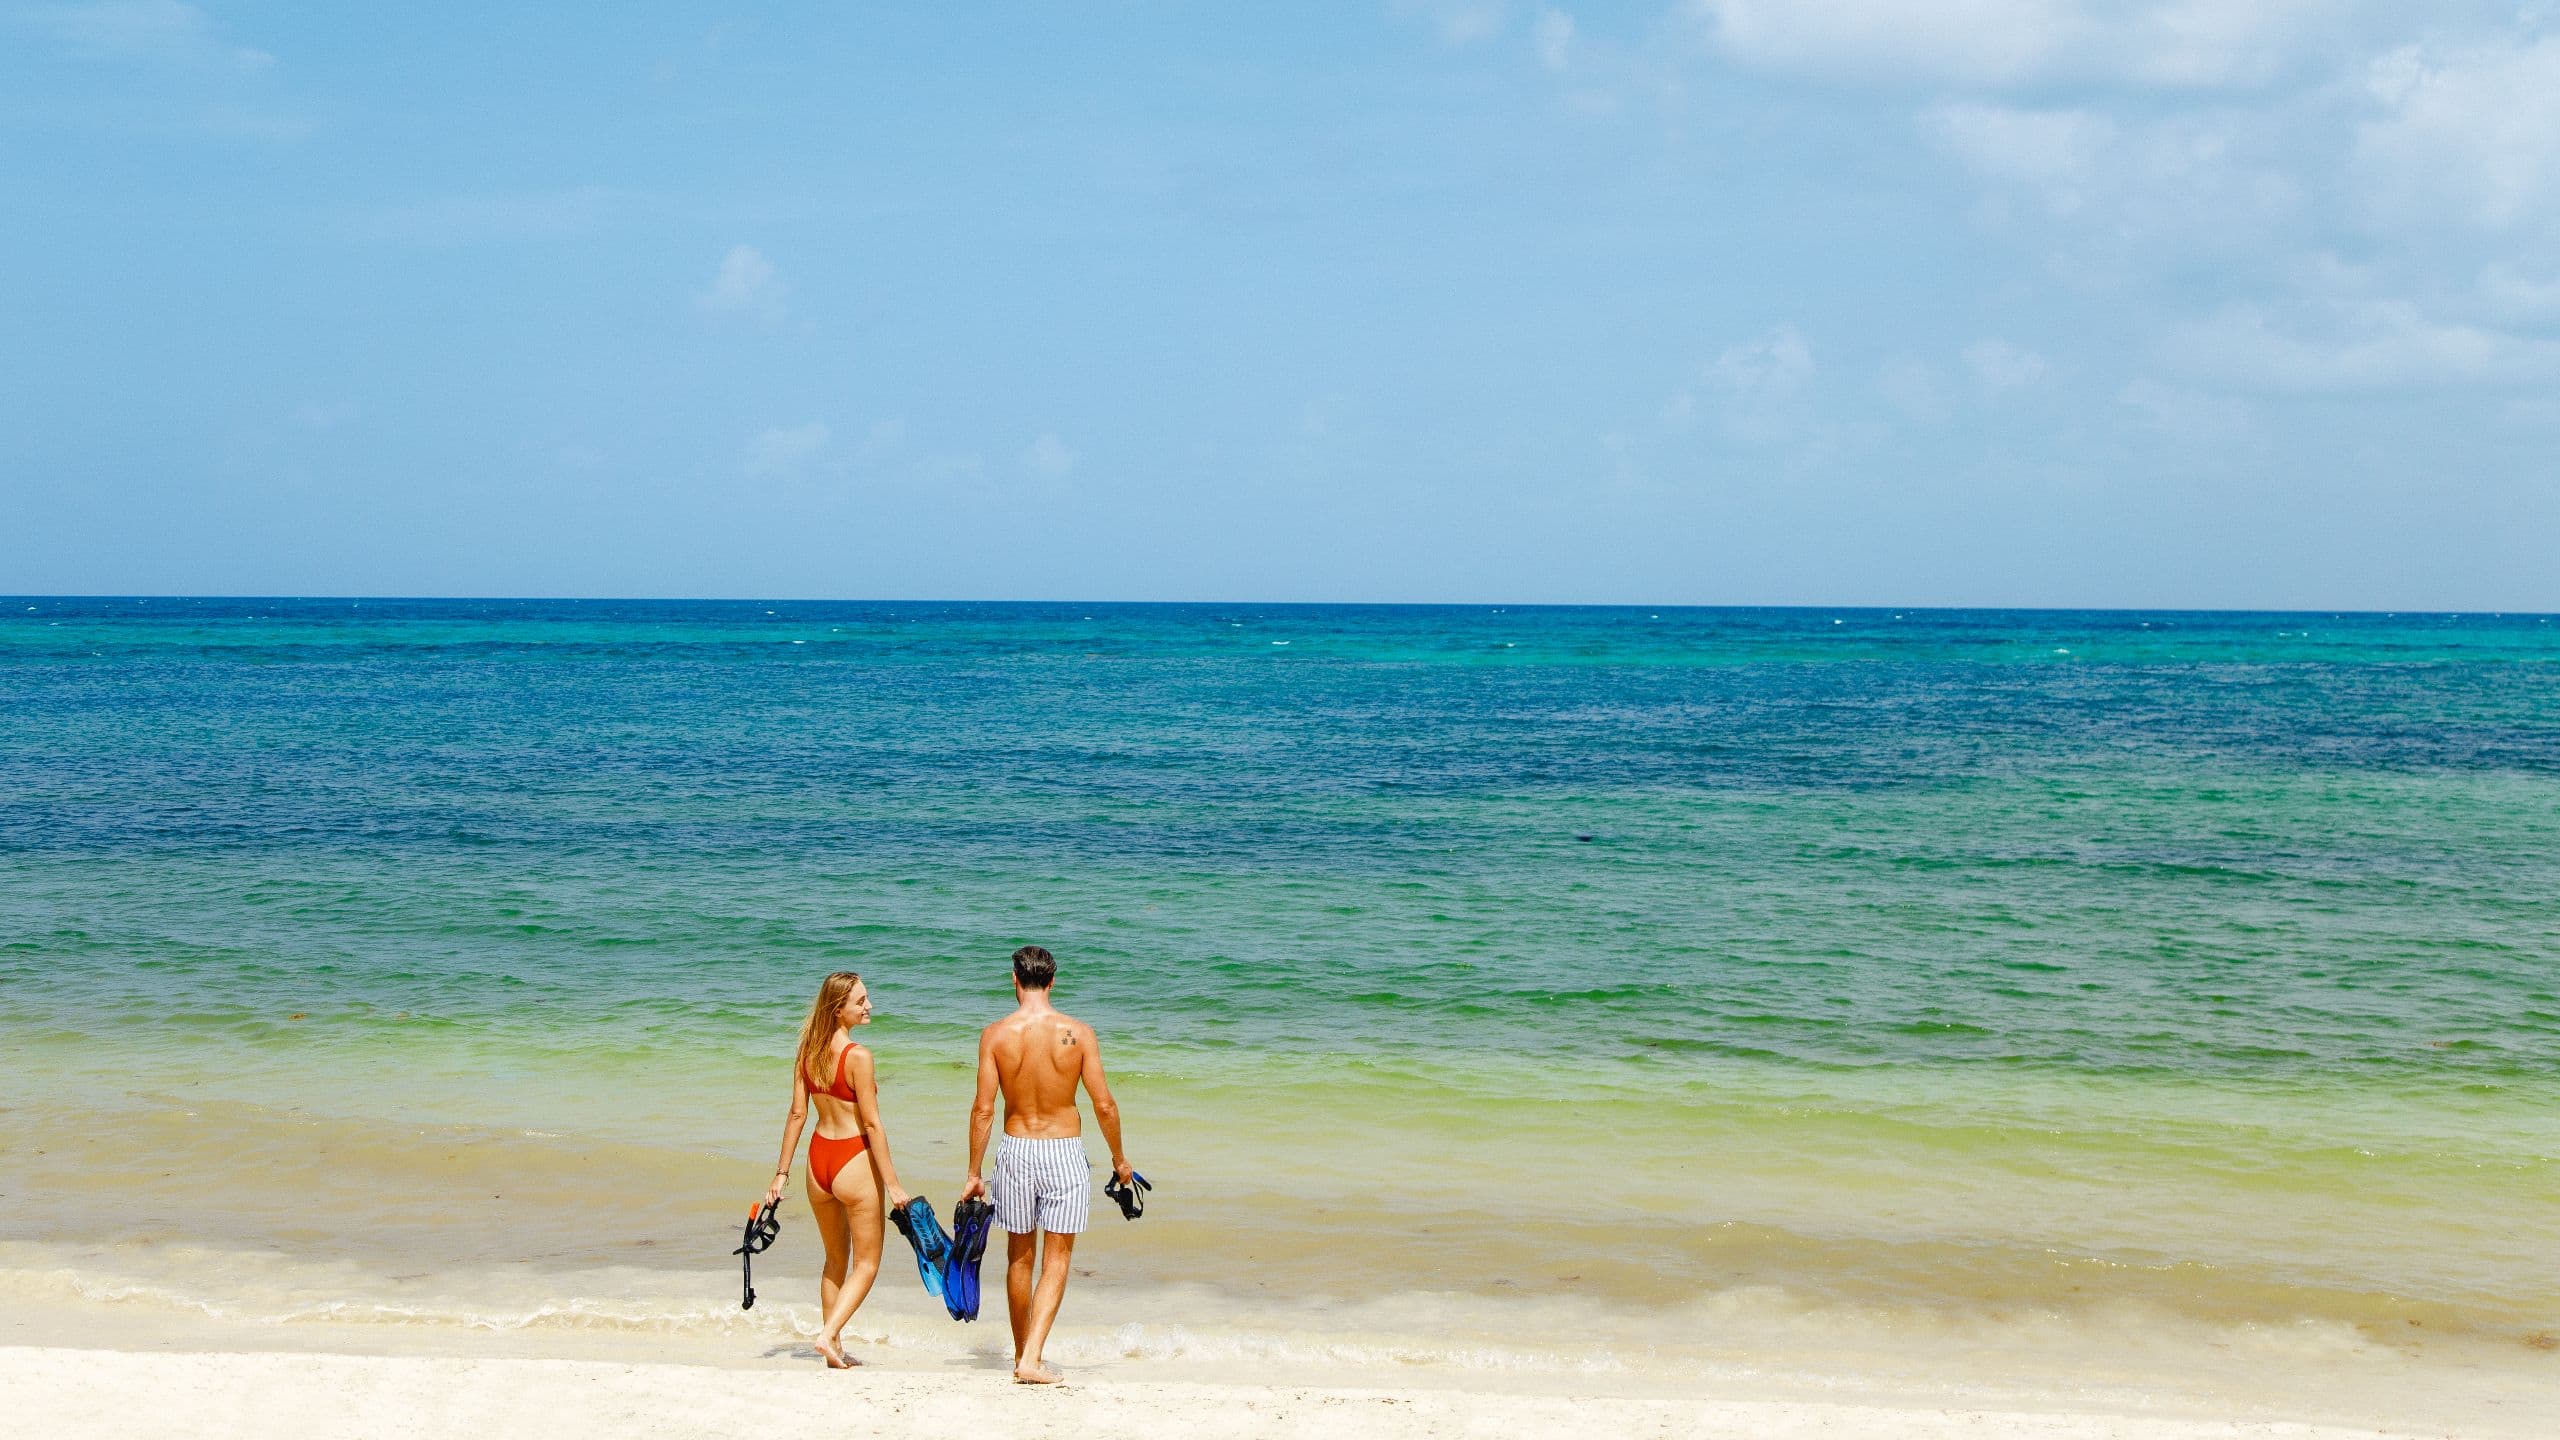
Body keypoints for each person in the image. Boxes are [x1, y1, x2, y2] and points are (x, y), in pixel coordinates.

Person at [956, 944, 1135, 1385]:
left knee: (1019, 1258)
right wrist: (1119, 1159)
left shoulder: (995, 1035)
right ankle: (1030, 1358)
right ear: (1053, 981)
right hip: (1064, 1151)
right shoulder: (1079, 1033)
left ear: (1014, 980)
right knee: (1056, 1260)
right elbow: (1104, 1104)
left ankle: (1025, 1355)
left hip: (1016, 1149)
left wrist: (974, 1173)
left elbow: (983, 1110)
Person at [762, 970, 916, 1368]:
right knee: (867, 1263)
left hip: (818, 1162)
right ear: (838, 1009)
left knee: (834, 1261)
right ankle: (829, 1336)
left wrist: (781, 1174)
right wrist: (894, 1185)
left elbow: (798, 1114)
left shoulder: (806, 1053)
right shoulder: (858, 1057)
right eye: (861, 1001)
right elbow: (871, 1125)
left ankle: (836, 1352)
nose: (869, 1006)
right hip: (852, 1160)